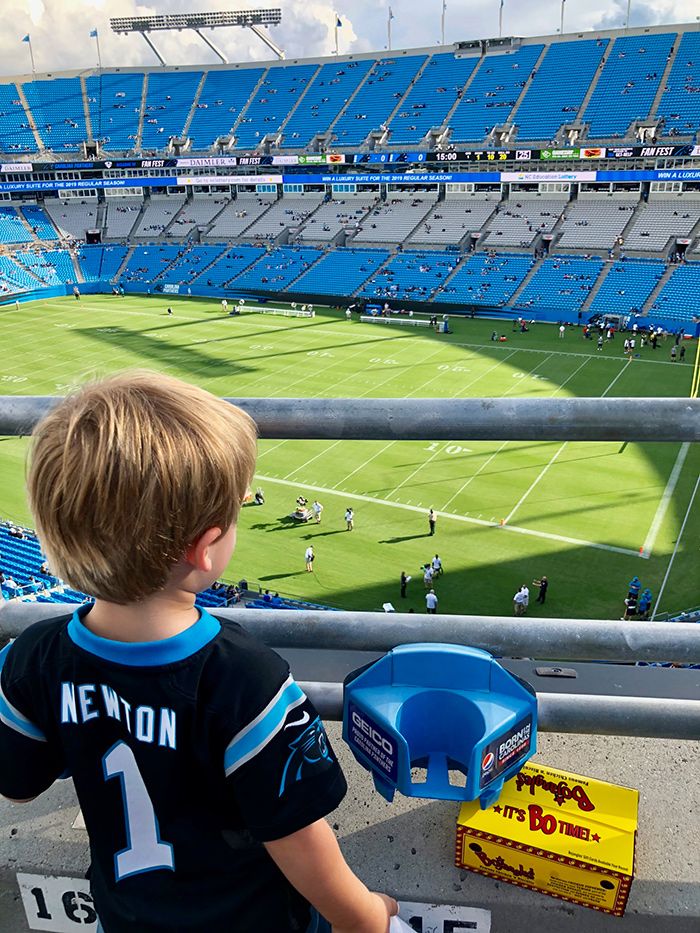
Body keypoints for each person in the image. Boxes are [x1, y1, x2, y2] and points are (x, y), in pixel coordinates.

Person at [0, 372, 398, 933]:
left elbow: (17, 788)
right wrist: (366, 919)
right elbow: (299, 839)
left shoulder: (35, 656)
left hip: (125, 919)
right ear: (205, 550)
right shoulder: (245, 678)